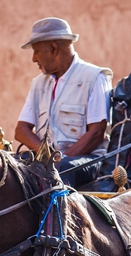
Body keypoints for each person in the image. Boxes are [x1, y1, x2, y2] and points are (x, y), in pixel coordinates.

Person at [15, 17, 113, 188]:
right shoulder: (38, 83)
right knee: (6, 166)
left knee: (62, 170)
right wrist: (45, 154)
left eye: (36, 51)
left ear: (53, 48)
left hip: (84, 160)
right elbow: (21, 130)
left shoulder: (94, 77)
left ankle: (56, 215)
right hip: (49, 159)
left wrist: (59, 159)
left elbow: (97, 133)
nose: (33, 58)